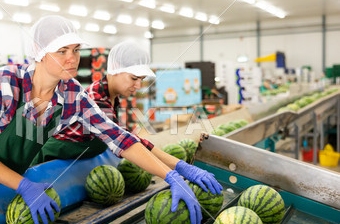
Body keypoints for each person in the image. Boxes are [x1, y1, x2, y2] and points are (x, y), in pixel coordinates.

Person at [0, 15, 206, 224]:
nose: (72, 58)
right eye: (62, 51)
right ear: (40, 54)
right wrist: (24, 185)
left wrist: (172, 174)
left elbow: (118, 137)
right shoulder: (2, 84)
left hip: (14, 181)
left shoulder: (71, 94)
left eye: (75, 50)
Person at [50, 40, 223, 199]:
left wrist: (177, 166)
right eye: (134, 78)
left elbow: (127, 137)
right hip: (52, 169)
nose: (138, 86)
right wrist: (174, 170)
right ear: (115, 68)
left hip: (77, 165)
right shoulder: (94, 97)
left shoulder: (110, 95)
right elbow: (123, 140)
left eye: (141, 79)